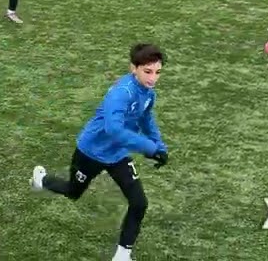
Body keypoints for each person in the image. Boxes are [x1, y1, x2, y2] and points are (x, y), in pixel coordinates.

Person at [31, 44, 169, 261]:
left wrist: (159, 146)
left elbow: (145, 117)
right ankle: (42, 180)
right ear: (134, 68)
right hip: (91, 153)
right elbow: (113, 129)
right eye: (148, 71)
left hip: (118, 156)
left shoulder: (148, 94)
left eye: (157, 72)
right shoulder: (121, 93)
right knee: (73, 192)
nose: (153, 78)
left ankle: (122, 255)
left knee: (139, 202)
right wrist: (149, 148)